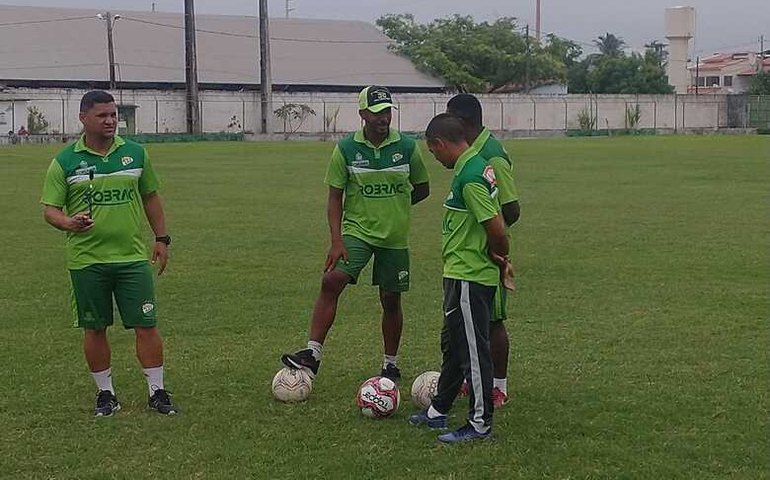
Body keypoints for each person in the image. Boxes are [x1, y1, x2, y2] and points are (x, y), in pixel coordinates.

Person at [40, 90, 177, 417]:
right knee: (95, 327)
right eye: (102, 115)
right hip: (87, 261)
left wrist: (162, 238)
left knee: (147, 324)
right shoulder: (65, 161)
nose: (111, 120)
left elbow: (151, 198)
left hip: (131, 258)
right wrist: (69, 223)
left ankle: (157, 391)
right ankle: (106, 394)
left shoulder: (136, 153)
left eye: (114, 114)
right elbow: (50, 210)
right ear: (83, 118)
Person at [281, 86, 430, 382]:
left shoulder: (409, 147)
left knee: (390, 299)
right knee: (332, 280)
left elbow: (422, 188)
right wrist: (336, 240)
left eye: (386, 111)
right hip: (357, 232)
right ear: (362, 114)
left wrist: (395, 207)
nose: (382, 118)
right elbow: (334, 196)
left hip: (394, 237)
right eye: (376, 113)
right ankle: (312, 354)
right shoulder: (347, 148)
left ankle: (390, 364)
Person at [409, 113, 512, 443]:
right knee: (454, 346)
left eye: (433, 152)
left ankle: (480, 424)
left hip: (469, 274)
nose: (435, 158)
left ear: (439, 143)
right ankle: (439, 409)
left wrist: (500, 256)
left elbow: (495, 225)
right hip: (458, 272)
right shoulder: (476, 164)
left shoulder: (469, 175)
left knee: (472, 351)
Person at [447, 94, 520, 407]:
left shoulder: (490, 154)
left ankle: (498, 386)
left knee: (492, 320)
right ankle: (472, 380)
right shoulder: (471, 150)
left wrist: (493, 240)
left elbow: (512, 208)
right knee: (470, 321)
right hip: (468, 253)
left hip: (486, 254)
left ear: (463, 123)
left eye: (450, 119)